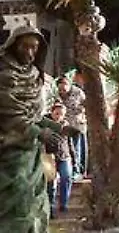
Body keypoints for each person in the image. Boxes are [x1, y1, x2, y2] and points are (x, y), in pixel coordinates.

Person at [0, 24, 54, 230]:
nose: (30, 53)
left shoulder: (34, 75)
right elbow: (11, 115)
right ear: (14, 47)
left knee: (38, 205)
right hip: (9, 153)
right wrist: (40, 132)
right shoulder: (4, 76)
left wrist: (56, 128)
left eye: (35, 48)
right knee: (17, 204)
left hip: (32, 153)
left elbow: (35, 115)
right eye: (25, 47)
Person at [42, 102, 72, 218]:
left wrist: (74, 159)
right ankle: (50, 207)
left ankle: (63, 204)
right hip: (49, 157)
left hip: (64, 156)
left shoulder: (65, 125)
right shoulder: (45, 124)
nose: (59, 116)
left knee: (66, 177)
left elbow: (69, 143)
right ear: (52, 112)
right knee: (51, 183)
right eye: (57, 113)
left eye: (61, 114)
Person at [55, 75, 87, 180]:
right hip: (65, 127)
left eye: (64, 89)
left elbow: (86, 105)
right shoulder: (57, 95)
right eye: (60, 89)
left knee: (77, 150)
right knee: (68, 150)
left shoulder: (78, 93)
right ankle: (72, 170)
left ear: (68, 85)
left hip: (77, 126)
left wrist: (80, 114)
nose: (62, 91)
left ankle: (78, 171)